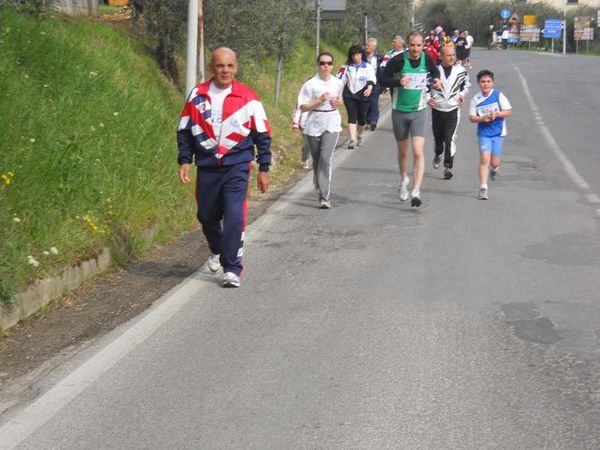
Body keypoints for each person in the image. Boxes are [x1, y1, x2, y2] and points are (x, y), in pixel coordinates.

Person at [177, 47, 271, 288]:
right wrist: (185, 160)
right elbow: (185, 131)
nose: (225, 70)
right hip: (207, 167)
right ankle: (218, 249)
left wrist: (263, 168)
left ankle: (232, 268)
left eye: (229, 66)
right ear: (212, 68)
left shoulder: (248, 98)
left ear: (236, 67)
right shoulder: (197, 95)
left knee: (234, 216)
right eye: (220, 66)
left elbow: (262, 135)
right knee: (206, 216)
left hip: (236, 166)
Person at [381, 32, 441, 207]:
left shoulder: (427, 59)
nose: (415, 49)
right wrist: (398, 81)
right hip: (399, 111)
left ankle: (416, 191)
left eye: (418, 45)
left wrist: (436, 80)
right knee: (403, 152)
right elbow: (382, 78)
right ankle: (403, 181)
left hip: (419, 111)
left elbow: (435, 70)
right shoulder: (398, 60)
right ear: (408, 45)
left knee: (417, 151)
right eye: (412, 45)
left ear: (423, 45)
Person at [298, 51, 344, 209]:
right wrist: (319, 100)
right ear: (318, 65)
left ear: (332, 65)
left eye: (329, 63)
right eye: (322, 63)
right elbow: (303, 107)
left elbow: (340, 98)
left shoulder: (337, 83)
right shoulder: (310, 84)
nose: (326, 66)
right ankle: (318, 179)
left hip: (332, 123)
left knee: (325, 159)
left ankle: (324, 196)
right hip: (314, 123)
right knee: (317, 160)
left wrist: (338, 102)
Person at [427, 45, 470, 180]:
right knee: (439, 140)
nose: (452, 57)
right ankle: (438, 154)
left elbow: (466, 85)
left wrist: (462, 94)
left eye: (453, 55)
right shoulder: (434, 71)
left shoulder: (461, 71)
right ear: (440, 56)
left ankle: (448, 167)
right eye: (448, 55)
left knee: (450, 138)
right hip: (437, 110)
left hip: (453, 110)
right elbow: (425, 86)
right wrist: (428, 98)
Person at [469, 69, 512, 200]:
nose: (485, 84)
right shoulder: (475, 99)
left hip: (498, 133)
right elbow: (471, 117)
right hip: (484, 133)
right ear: (478, 83)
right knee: (484, 160)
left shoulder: (498, 96)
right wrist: (482, 118)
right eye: (483, 82)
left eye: (488, 82)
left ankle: (495, 169)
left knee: (494, 162)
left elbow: (508, 111)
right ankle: (483, 188)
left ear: (492, 83)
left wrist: (497, 114)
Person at [337, 45, 376, 149]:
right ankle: (352, 139)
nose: (355, 57)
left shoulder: (368, 66)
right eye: (353, 55)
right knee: (351, 116)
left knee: (361, 118)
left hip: (363, 94)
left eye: (358, 54)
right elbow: (340, 82)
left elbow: (372, 79)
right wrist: (339, 95)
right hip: (349, 95)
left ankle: (360, 135)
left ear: (361, 55)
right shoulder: (346, 67)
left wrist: (369, 88)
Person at [364, 37, 384, 131]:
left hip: (376, 82)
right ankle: (368, 121)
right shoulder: (362, 57)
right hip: (364, 83)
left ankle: (373, 121)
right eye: (366, 45)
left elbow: (383, 70)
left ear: (373, 47)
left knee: (374, 102)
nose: (366, 47)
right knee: (366, 102)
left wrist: (383, 83)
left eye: (368, 45)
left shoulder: (380, 58)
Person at [291, 103, 311, 169]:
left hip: (318, 124)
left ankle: (319, 161)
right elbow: (297, 110)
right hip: (304, 124)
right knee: (308, 143)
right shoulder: (304, 96)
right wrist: (295, 123)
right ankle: (305, 159)